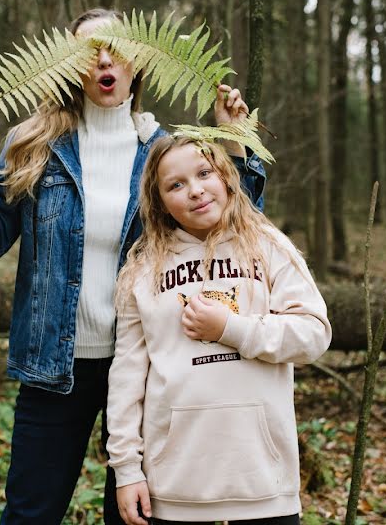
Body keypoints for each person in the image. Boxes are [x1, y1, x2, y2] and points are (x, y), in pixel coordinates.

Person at [0, 7, 266, 524]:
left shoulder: (162, 152)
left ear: (138, 62)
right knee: (31, 513)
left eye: (117, 49)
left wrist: (235, 143)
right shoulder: (34, 146)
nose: (104, 60)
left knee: (135, 517)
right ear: (66, 65)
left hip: (145, 364)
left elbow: (232, 233)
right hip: (54, 370)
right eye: (87, 50)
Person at [107, 136, 332, 525]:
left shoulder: (268, 245)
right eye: (175, 185)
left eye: (204, 173)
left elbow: (313, 333)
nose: (195, 191)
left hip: (263, 483)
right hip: (174, 487)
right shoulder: (142, 271)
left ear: (227, 177)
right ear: (159, 201)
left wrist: (232, 328)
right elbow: (127, 376)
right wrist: (127, 470)